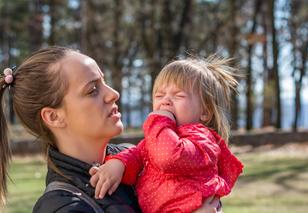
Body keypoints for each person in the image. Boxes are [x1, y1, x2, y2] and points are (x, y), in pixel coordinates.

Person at [0, 46, 221, 213]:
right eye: (92, 90)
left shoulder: (137, 161)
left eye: (104, 82)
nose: (113, 93)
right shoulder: (63, 207)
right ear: (53, 116)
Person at [90, 56, 244, 213]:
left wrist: (159, 120)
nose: (166, 101)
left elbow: (169, 157)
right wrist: (119, 164)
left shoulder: (202, 139)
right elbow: (137, 154)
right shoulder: (161, 137)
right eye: (159, 95)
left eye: (179, 95)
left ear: (205, 112)